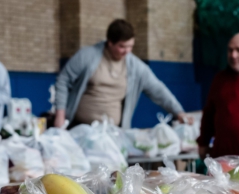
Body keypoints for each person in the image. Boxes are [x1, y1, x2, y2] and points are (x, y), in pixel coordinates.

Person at [54, 19, 187, 129]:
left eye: (130, 46)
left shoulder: (136, 67)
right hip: (80, 128)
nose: (127, 51)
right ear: (110, 43)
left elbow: (158, 90)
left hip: (114, 131)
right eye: (122, 46)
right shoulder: (87, 55)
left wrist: (179, 112)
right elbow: (63, 80)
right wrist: (60, 116)